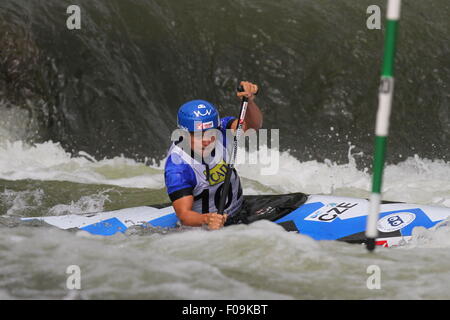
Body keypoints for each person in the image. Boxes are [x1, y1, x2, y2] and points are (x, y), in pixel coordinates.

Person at [164, 81, 262, 230]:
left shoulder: (222, 129)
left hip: (240, 211)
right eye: (198, 135)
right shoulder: (178, 166)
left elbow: (252, 126)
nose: (206, 140)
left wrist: (249, 102)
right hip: (207, 227)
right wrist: (207, 219)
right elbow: (184, 215)